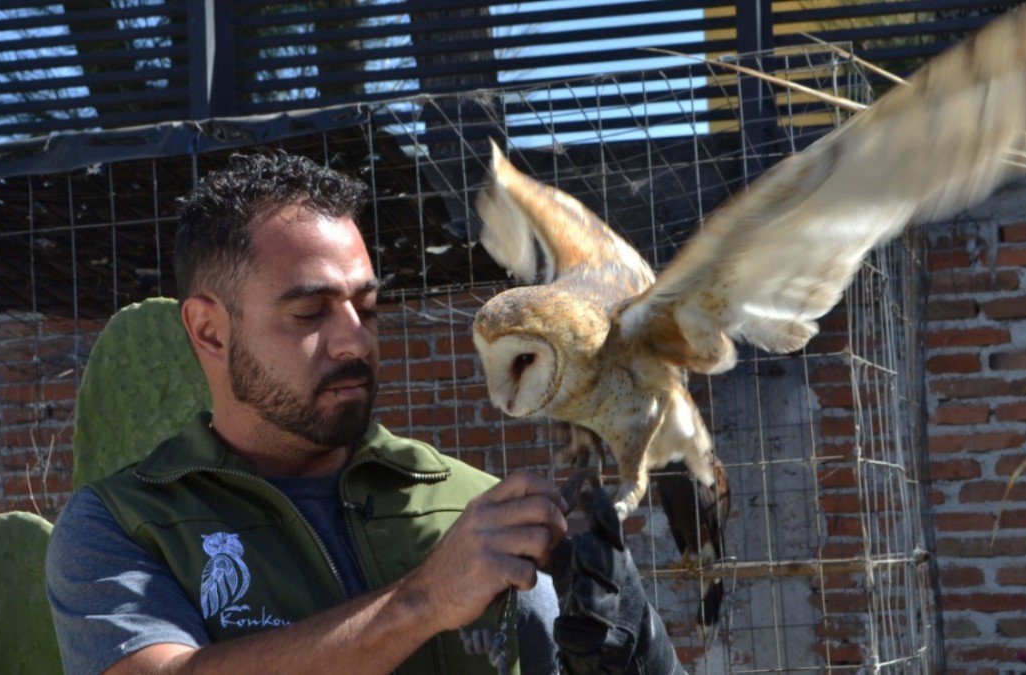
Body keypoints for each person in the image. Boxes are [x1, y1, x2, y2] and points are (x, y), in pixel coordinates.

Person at [46, 151, 681, 675]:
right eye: (309, 313)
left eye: (367, 308)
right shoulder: (126, 524)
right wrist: (424, 600)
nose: (356, 340)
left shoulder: (472, 508)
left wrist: (635, 649)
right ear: (210, 331)